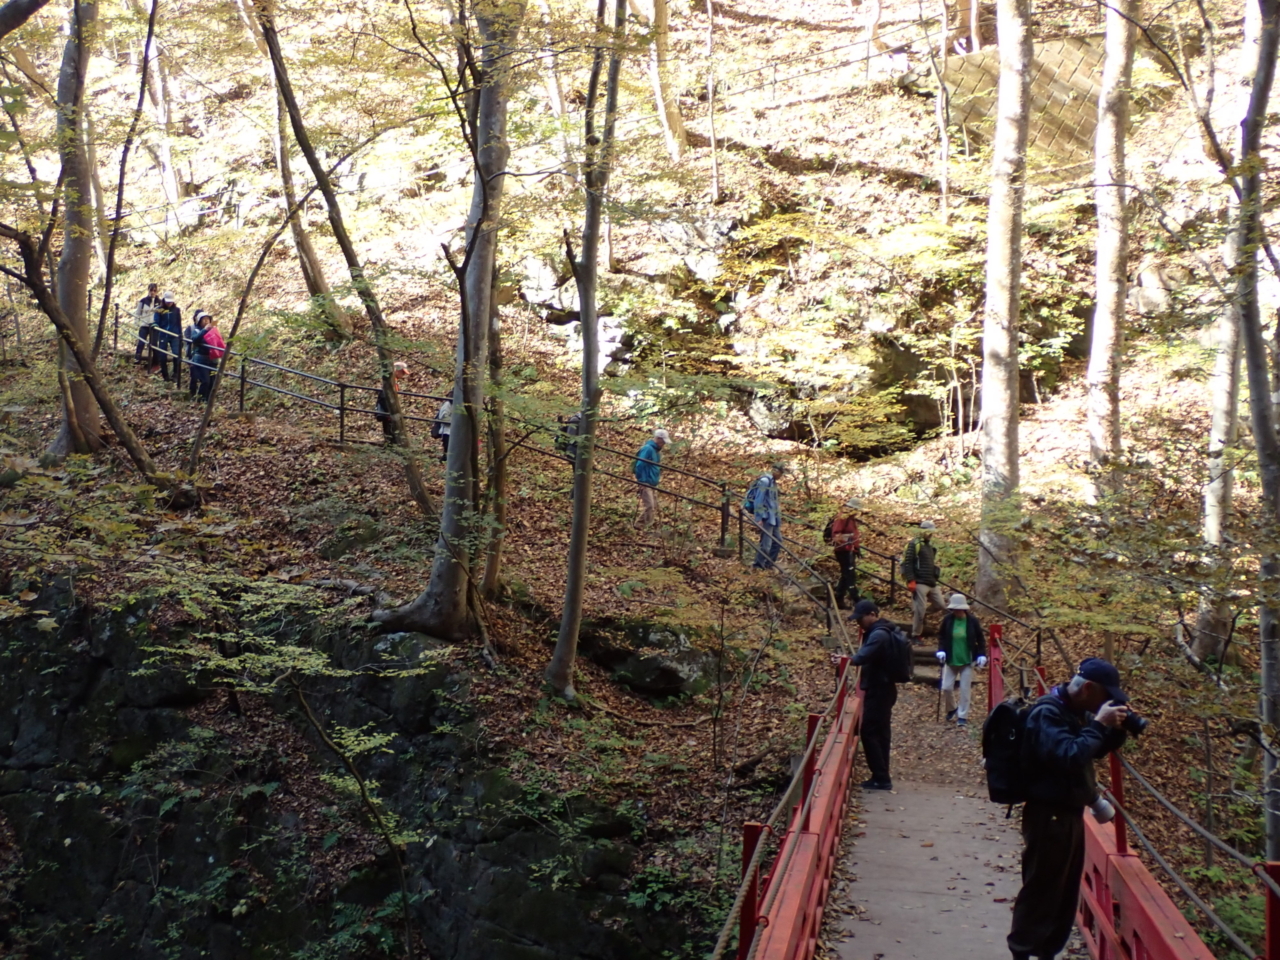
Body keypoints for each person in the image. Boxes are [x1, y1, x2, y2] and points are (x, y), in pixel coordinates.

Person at [1009, 658, 1130, 960]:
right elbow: (1069, 754)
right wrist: (1099, 724)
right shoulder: (1048, 713)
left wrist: (1114, 729)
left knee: (1064, 893)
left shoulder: (1073, 711)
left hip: (1068, 812)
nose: (1106, 702)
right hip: (1048, 813)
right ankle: (1023, 951)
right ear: (1088, 688)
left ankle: (1046, 951)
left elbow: (1093, 749)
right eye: (1105, 695)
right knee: (1042, 888)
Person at [851, 599, 900, 791]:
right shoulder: (883, 631)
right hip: (884, 687)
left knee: (869, 731)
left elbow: (864, 656)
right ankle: (881, 775)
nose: (859, 623)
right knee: (881, 732)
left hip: (880, 688)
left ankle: (881, 776)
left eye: (860, 618)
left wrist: (849, 660)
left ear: (872, 614)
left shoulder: (879, 634)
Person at [934, 594, 987, 726]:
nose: (957, 612)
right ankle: (952, 708)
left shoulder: (972, 621)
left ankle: (963, 716)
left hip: (967, 660)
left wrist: (981, 654)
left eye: (959, 609)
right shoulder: (948, 620)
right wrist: (941, 650)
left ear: (964, 609)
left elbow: (980, 639)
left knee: (964, 690)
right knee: (946, 687)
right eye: (954, 609)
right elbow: (941, 636)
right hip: (951, 659)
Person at [902, 519, 946, 642]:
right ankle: (916, 635)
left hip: (931, 581)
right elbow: (908, 563)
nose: (931, 534)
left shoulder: (930, 547)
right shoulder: (914, 544)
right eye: (928, 532)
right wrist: (911, 580)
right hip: (920, 582)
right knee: (920, 609)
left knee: (940, 605)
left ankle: (920, 616)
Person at [745, 463, 787, 569]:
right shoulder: (765, 481)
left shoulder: (773, 483)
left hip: (774, 517)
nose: (781, 476)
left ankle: (769, 564)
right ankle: (758, 565)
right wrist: (759, 518)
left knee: (778, 542)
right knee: (766, 545)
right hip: (767, 517)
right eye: (781, 474)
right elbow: (759, 499)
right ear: (776, 471)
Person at [825, 498, 861, 608]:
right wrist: (849, 542)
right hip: (844, 551)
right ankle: (857, 601)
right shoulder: (842, 518)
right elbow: (836, 535)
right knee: (849, 575)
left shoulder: (850, 519)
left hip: (849, 550)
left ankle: (839, 599)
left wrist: (856, 548)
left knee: (846, 575)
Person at [632, 428, 669, 529]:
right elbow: (639, 465)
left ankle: (647, 525)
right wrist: (641, 481)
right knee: (650, 506)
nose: (664, 444)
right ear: (658, 439)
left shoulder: (656, 451)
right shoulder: (648, 449)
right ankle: (639, 526)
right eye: (663, 441)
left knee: (654, 506)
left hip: (652, 482)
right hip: (646, 482)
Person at [188, 311, 225, 402]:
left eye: (207, 320)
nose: (206, 321)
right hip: (201, 359)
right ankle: (200, 399)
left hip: (212, 359)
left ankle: (208, 400)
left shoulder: (214, 330)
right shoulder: (196, 330)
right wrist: (205, 330)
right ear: (199, 321)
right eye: (203, 320)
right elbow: (195, 339)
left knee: (212, 382)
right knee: (205, 381)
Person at [374, 362, 410, 444]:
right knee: (389, 430)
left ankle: (390, 445)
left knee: (390, 430)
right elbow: (384, 397)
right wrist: (389, 411)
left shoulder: (393, 381)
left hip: (389, 410)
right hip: (388, 410)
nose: (403, 375)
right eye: (402, 372)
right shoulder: (390, 382)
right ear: (396, 371)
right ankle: (390, 446)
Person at [153, 292, 182, 383]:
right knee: (162, 356)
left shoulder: (176, 310)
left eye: (171, 302)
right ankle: (165, 376)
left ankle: (176, 374)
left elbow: (178, 323)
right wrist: (155, 325)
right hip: (163, 334)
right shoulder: (159, 309)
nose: (169, 303)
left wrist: (180, 334)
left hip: (174, 335)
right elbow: (156, 320)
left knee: (176, 354)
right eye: (168, 301)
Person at [134, 283, 161, 364]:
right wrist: (136, 322)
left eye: (154, 290)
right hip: (144, 324)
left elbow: (162, 313)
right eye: (151, 290)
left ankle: (156, 361)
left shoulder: (159, 302)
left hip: (154, 326)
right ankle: (137, 358)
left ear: (157, 291)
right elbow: (138, 312)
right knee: (141, 342)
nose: (152, 292)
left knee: (154, 344)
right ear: (148, 290)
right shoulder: (143, 301)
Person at [434, 396, 452, 460]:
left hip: (455, 432)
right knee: (448, 450)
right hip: (447, 431)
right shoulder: (448, 405)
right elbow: (443, 417)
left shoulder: (459, 405)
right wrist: (455, 421)